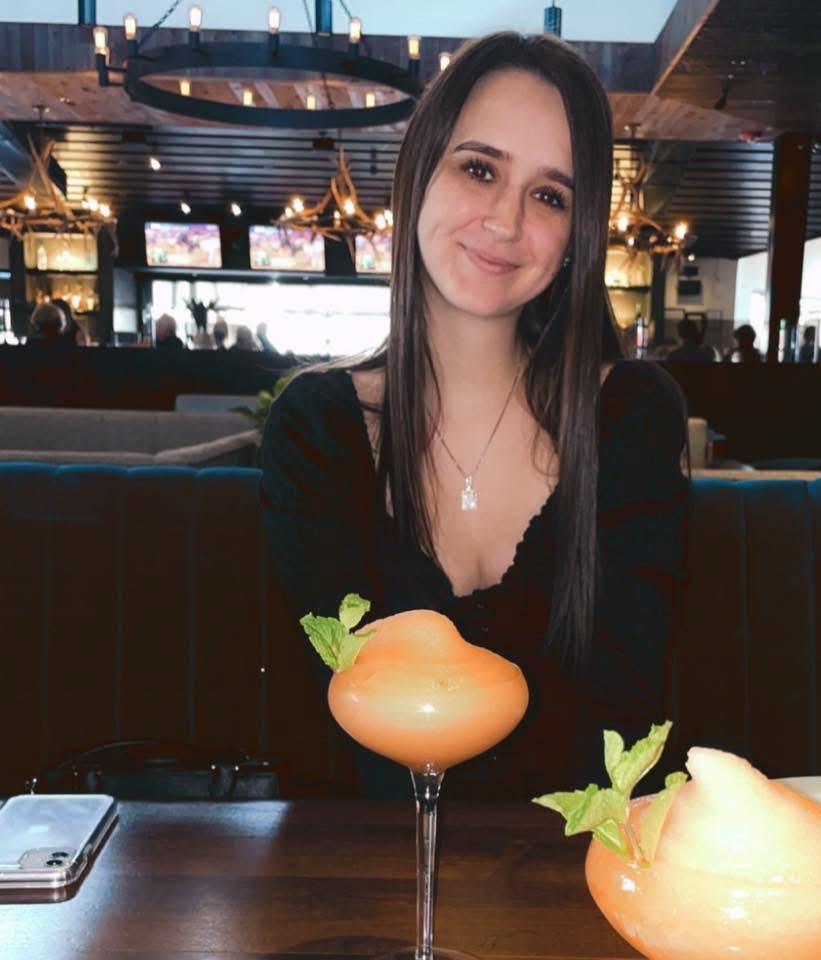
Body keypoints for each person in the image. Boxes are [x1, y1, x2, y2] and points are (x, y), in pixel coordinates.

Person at [259, 32, 690, 800]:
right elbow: (325, 731)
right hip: (362, 860)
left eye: (550, 195)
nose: (506, 220)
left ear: (577, 235)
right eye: (480, 169)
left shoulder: (628, 418)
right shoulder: (319, 429)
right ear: (419, 173)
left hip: (568, 864)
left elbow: (626, 721)